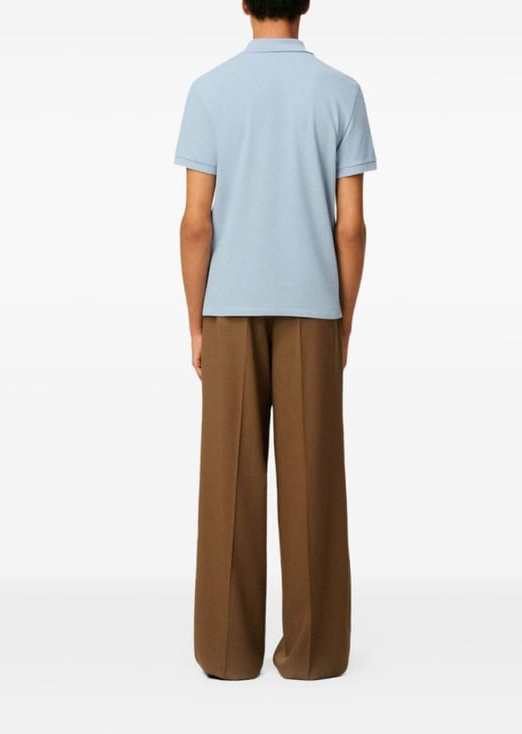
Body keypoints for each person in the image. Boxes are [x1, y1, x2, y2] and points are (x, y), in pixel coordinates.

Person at [174, 0, 376, 680]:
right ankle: (314, 654)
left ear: (243, 3)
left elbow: (195, 223)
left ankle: (227, 652)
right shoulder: (342, 93)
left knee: (227, 483)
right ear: (306, 3)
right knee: (313, 482)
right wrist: (344, 316)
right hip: (312, 305)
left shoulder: (210, 92)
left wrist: (196, 320)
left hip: (229, 307)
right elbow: (351, 226)